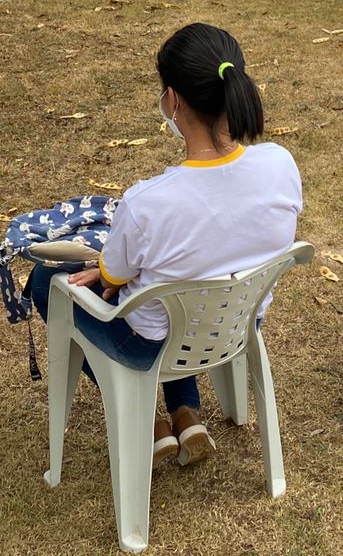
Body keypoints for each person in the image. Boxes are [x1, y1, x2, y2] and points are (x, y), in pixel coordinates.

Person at [26, 23, 301, 466]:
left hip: (153, 342)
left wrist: (108, 270)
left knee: (45, 280)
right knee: (174, 295)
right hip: (235, 325)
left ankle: (150, 416)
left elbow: (115, 276)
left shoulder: (147, 202)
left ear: (172, 100)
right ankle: (186, 412)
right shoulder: (281, 165)